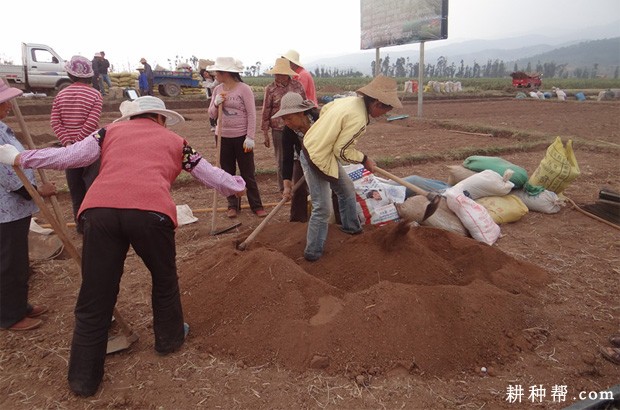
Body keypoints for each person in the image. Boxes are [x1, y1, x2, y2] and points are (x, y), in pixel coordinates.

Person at [0, 95, 246, 397]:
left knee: (95, 292)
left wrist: (20, 158)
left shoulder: (106, 133)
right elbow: (209, 174)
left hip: (99, 212)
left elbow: (69, 157)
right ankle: (168, 340)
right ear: (160, 118)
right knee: (164, 279)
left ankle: (82, 380)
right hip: (151, 214)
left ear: (131, 118)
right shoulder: (177, 141)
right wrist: (237, 185)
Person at [299, 75, 402, 261]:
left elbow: (326, 110)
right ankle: (312, 253)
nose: (384, 115)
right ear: (377, 104)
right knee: (322, 207)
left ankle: (351, 229)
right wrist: (364, 159)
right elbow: (343, 151)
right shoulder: (359, 119)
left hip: (321, 149)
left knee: (346, 189)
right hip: (316, 156)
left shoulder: (350, 100)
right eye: (386, 110)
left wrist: (328, 133)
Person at [0, 78, 57, 332]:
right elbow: (8, 176)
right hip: (6, 212)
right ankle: (9, 316)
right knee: (9, 264)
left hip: (15, 211)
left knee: (18, 261)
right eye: (4, 102)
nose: (9, 106)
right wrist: (36, 192)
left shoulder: (2, 127)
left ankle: (18, 305)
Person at [207, 57, 266, 218]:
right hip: (222, 136)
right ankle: (233, 205)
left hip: (241, 137)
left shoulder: (244, 89)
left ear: (226, 73)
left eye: (217, 72)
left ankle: (256, 205)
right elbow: (211, 114)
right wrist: (216, 104)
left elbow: (252, 114)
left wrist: (250, 136)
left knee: (248, 172)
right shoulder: (217, 90)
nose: (215, 75)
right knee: (228, 172)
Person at [50, 55, 103, 234]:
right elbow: (92, 121)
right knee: (93, 186)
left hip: (69, 150)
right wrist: (81, 141)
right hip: (90, 148)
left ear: (70, 75)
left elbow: (55, 122)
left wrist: (69, 143)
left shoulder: (61, 94)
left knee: (75, 188)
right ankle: (94, 226)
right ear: (89, 76)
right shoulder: (95, 94)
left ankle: (81, 226)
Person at [271, 92, 318, 222]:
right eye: (284, 119)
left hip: (325, 154)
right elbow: (287, 158)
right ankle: (297, 222)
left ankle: (339, 222)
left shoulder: (319, 119)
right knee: (298, 188)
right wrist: (287, 186)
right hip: (303, 156)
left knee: (334, 188)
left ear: (301, 113)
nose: (286, 122)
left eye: (289, 118)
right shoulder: (288, 131)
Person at [262, 57, 306, 193]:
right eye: (276, 73)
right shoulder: (270, 89)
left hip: (298, 128)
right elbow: (266, 110)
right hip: (279, 129)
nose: (278, 76)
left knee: (302, 157)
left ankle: (303, 187)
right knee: (283, 159)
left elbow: (304, 105)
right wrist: (265, 133)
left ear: (287, 74)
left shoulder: (297, 86)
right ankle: (284, 189)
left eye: (280, 73)